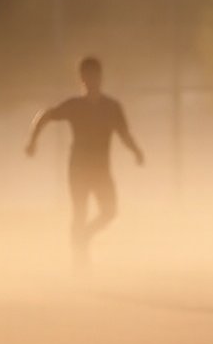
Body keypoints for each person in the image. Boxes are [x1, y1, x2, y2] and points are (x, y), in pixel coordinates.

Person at [26, 56, 143, 266]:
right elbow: (46, 116)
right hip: (78, 168)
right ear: (82, 78)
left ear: (101, 77)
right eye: (88, 75)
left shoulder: (112, 107)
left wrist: (136, 151)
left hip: (101, 169)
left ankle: (84, 236)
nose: (92, 80)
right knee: (80, 211)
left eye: (96, 75)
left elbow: (124, 133)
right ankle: (79, 259)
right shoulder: (74, 105)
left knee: (110, 211)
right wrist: (33, 140)